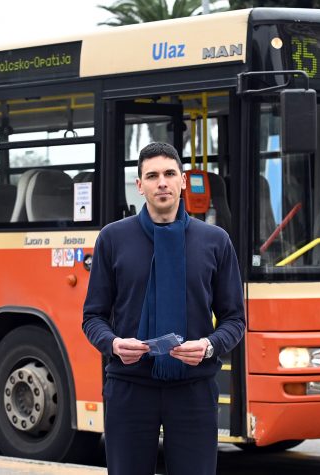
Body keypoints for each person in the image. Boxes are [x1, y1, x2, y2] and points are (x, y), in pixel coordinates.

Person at [82, 142, 245, 475]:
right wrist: (113, 344)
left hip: (193, 390)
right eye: (152, 176)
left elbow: (235, 319)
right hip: (129, 387)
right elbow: (93, 317)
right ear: (139, 185)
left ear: (183, 180)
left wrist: (209, 345)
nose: (162, 183)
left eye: (170, 174)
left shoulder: (215, 241)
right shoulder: (112, 239)